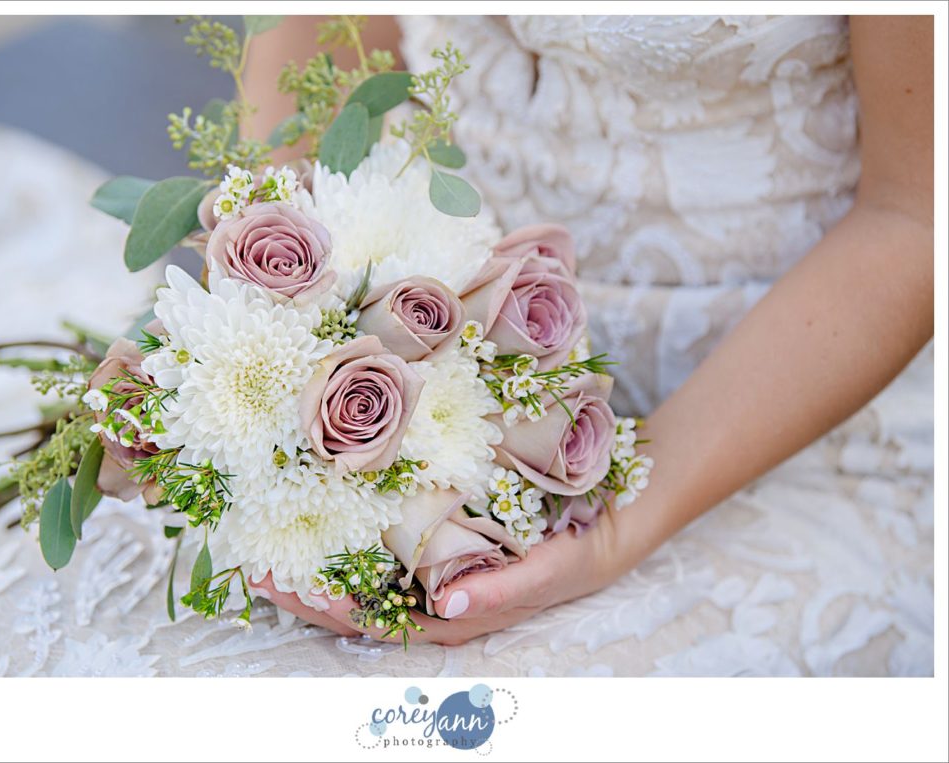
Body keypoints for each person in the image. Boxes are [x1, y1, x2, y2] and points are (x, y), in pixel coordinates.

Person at [248, 15, 934, 650]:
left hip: (796, 432)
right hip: (424, 365)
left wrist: (612, 528)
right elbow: (320, 59)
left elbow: (915, 217)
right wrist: (281, 333)